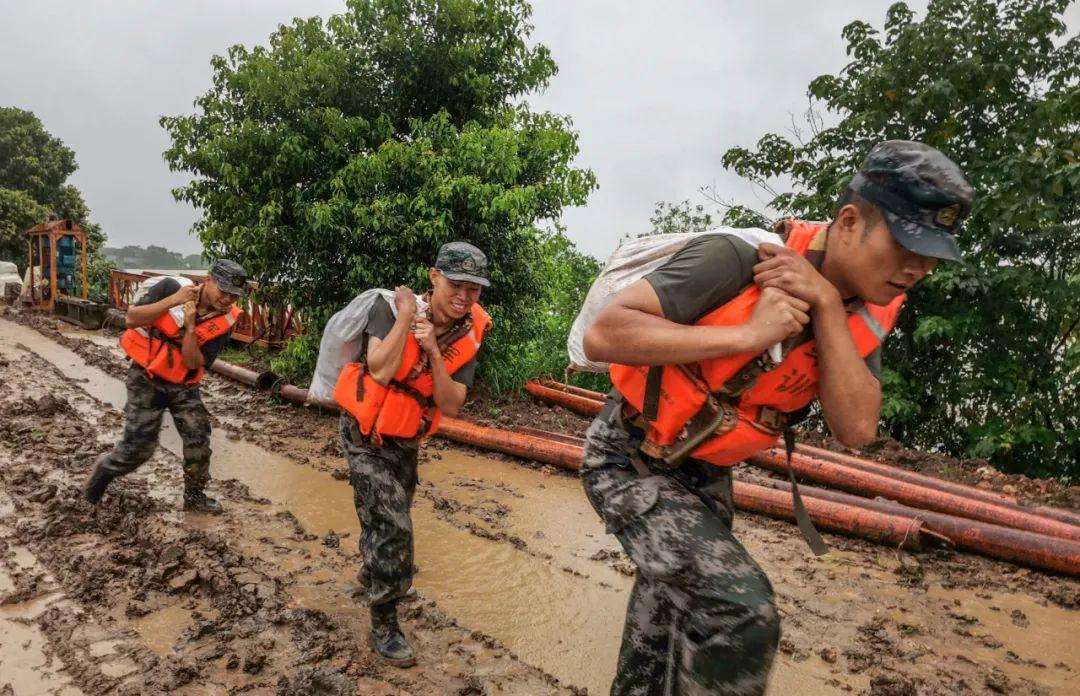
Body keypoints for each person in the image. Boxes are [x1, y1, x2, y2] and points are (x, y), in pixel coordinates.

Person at [581, 141, 974, 695]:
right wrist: (750, 334)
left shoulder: (866, 307)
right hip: (631, 456)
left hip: (705, 476)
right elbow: (605, 335)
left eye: (932, 253)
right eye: (906, 243)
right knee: (740, 613)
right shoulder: (741, 258)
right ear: (849, 221)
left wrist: (827, 307)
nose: (919, 266)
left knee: (666, 624)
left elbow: (857, 429)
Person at [333, 242, 492, 667]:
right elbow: (381, 368)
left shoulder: (468, 330)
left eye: (474, 289)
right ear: (434, 276)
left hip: (405, 438)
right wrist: (407, 317)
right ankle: (384, 621)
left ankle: (372, 572)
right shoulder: (391, 308)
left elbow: (453, 402)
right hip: (364, 434)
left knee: (386, 515)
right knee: (394, 526)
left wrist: (435, 353)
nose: (464, 296)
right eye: (456, 284)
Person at [83, 260, 250, 514]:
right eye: (223, 291)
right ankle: (101, 476)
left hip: (183, 383)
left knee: (198, 437)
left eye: (234, 295)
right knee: (138, 450)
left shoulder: (226, 321)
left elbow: (195, 362)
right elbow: (132, 318)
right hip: (146, 378)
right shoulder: (170, 287)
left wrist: (192, 326)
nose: (227, 299)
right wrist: (174, 301)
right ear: (208, 280)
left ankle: (194, 497)